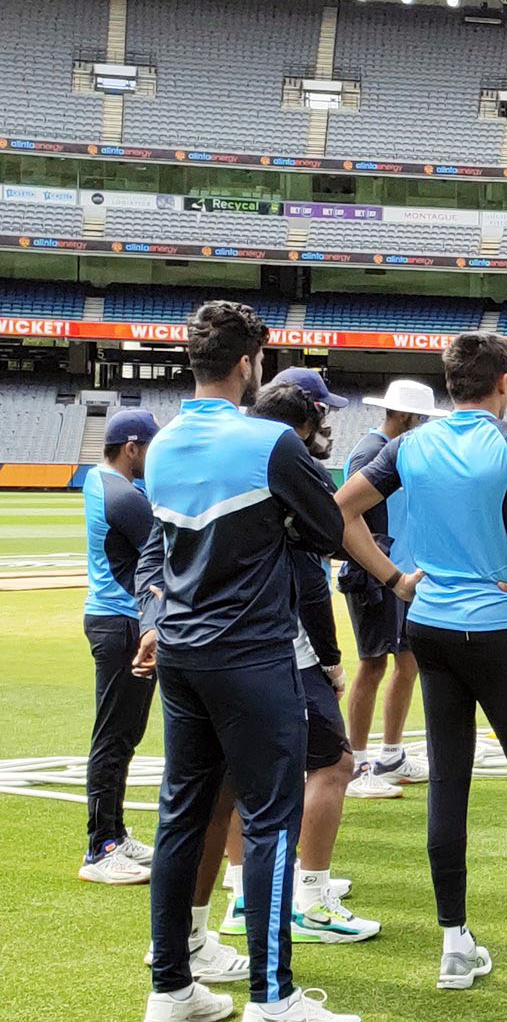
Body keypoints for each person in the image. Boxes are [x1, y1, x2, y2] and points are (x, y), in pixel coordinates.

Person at [337, 332, 507, 991]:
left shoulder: (406, 445)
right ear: (504, 381)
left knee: (449, 781)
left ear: (449, 384)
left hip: (429, 626)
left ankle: (455, 944)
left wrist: (396, 579)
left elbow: (338, 512)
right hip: (500, 629)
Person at [134, 300, 356, 1022]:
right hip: (254, 653)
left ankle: (171, 988)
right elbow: (327, 529)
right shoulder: (269, 442)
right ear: (247, 365)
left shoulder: (161, 444)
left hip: (183, 651)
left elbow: (160, 549)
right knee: (268, 819)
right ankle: (272, 995)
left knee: (181, 814)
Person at [249, 378, 382, 946]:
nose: (328, 424)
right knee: (333, 762)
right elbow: (310, 571)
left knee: (236, 773)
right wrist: (328, 657)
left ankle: (238, 894)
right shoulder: (289, 463)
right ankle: (310, 896)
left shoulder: (233, 452)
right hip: (285, 644)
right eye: (322, 412)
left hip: (222, 640)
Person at [337, 379, 444, 800]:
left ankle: (391, 753)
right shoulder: (372, 452)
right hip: (376, 575)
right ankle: (358, 761)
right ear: (406, 417)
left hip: (398, 573)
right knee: (373, 664)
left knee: (406, 660)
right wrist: (385, 571)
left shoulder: (390, 450)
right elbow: (349, 516)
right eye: (418, 419)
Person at [78, 408, 162, 885]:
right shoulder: (125, 496)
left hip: (116, 619)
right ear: (132, 448)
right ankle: (100, 846)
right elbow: (164, 554)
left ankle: (114, 831)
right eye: (149, 449)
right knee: (114, 736)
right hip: (121, 622)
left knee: (124, 734)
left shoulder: (102, 480)